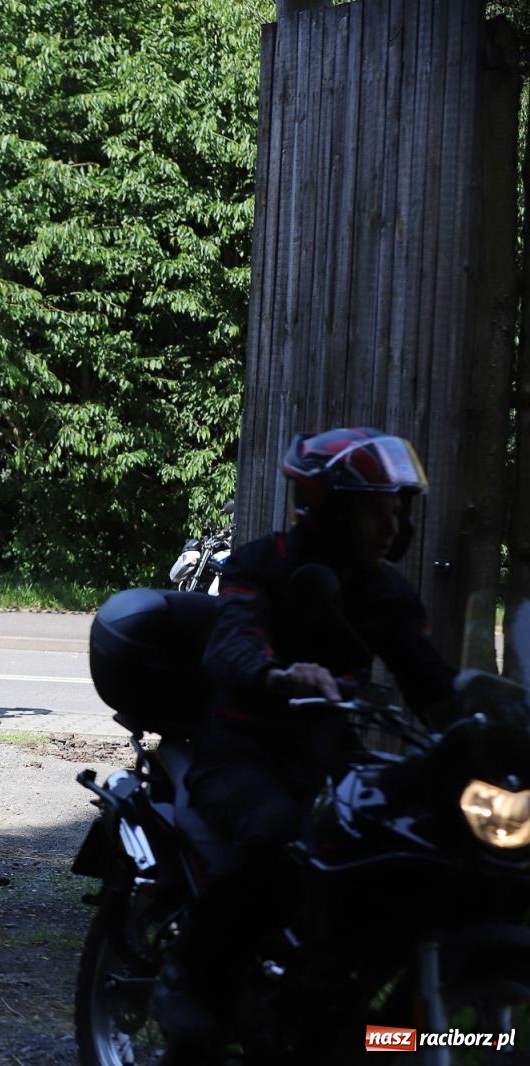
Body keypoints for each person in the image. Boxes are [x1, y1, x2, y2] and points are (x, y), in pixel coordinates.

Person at [152, 427, 457, 1059]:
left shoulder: (383, 592)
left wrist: (483, 722)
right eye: (379, 509)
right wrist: (279, 673)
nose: (392, 523)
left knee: (409, 835)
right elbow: (233, 640)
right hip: (241, 751)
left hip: (328, 753)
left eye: (397, 509)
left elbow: (431, 682)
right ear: (335, 510)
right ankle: (191, 978)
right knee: (274, 831)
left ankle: (345, 992)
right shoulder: (262, 564)